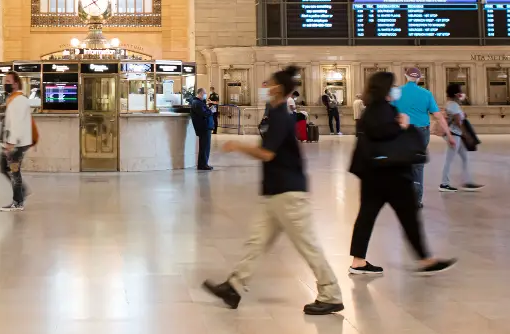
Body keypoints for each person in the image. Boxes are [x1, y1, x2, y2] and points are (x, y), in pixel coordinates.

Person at [202, 66, 344, 315]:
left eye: (269, 83)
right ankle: (234, 286)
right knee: (256, 242)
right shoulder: (277, 112)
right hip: (276, 191)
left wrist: (236, 146)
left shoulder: (280, 115)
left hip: (288, 193)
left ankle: (330, 293)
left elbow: (267, 153)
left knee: (307, 245)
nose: (265, 86)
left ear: (278, 88)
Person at [348, 71, 458, 276]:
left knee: (367, 216)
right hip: (392, 174)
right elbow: (385, 134)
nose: (395, 90)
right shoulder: (383, 110)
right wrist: (403, 124)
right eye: (392, 86)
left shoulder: (371, 108)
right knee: (408, 216)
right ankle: (426, 260)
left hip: (373, 173)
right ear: (385, 89)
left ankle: (358, 261)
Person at [392, 67, 453, 207]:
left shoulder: (397, 92)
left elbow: (389, 112)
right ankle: (417, 200)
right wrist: (449, 134)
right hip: (421, 132)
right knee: (418, 165)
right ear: (419, 79)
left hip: (403, 131)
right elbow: (438, 116)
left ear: (406, 76)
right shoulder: (426, 93)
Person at [0, 71, 34, 212]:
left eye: (8, 81)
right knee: (7, 168)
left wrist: (11, 143)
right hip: (16, 143)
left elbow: (17, 124)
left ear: (15, 83)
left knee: (13, 171)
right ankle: (22, 192)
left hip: (17, 145)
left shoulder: (18, 100)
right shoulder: (13, 99)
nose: (5, 84)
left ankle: (18, 201)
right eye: (4, 81)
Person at [440, 83, 484, 193]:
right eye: (460, 92)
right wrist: (467, 135)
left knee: (465, 158)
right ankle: (444, 184)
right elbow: (458, 122)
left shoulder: (452, 104)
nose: (462, 94)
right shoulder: (453, 105)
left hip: (455, 134)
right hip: (454, 135)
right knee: (449, 159)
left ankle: (467, 181)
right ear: (456, 93)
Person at [190, 88, 215, 171]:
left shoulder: (199, 102)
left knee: (204, 146)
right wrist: (211, 111)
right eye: (204, 93)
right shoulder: (197, 103)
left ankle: (203, 163)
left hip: (205, 127)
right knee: (204, 147)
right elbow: (204, 113)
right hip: (204, 127)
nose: (205, 95)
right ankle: (203, 164)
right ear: (200, 93)